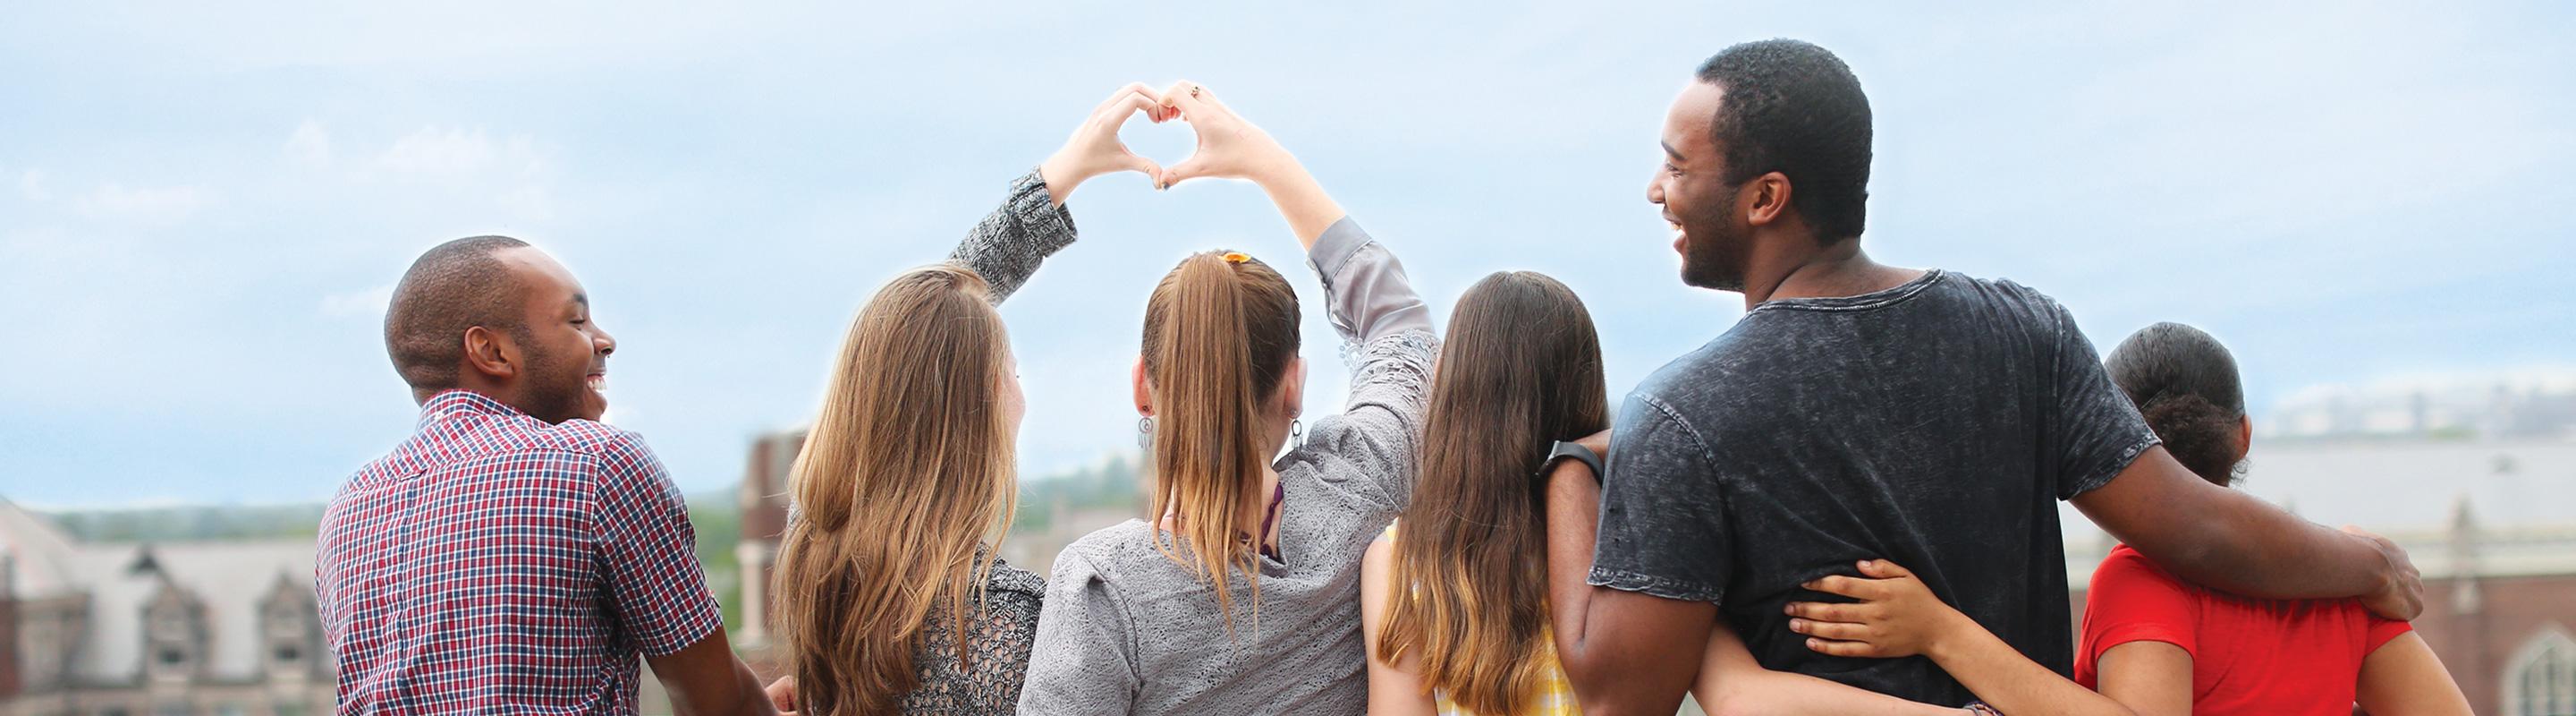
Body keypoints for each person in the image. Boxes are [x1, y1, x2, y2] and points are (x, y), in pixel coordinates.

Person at [1545, 38, 2425, 715]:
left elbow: (1622, 693)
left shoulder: (1682, 413)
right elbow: (2197, 528)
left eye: (1676, 163)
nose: (1656, 189)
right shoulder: (2021, 330)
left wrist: (1570, 473)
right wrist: (2366, 560)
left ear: (1765, 197)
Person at [1763, 322, 2473, 716]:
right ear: (2244, 436)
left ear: (2105, 446)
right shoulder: (2339, 579)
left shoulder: (2142, 582)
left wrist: (1936, 630)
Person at [1013, 80, 1441, 715]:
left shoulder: (1104, 591)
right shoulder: (1364, 489)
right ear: (1292, 385)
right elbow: (1401, 330)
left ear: (1142, 389)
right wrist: (1261, 160)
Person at [1360, 272, 1958, 716]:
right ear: (1583, 383)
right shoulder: (1629, 541)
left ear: (1457, 393)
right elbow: (1742, 695)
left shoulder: (1400, 559)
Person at [764, 82, 1176, 715]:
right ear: (976, 411)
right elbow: (918, 342)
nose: (1022, 393)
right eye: (1010, 369)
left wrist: (1058, 176)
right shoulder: (1005, 624)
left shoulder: (815, 541)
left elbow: (909, 345)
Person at [318, 236, 772, 714]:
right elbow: (720, 704)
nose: (605, 341)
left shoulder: (351, 505)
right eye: (576, 321)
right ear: (490, 351)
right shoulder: (596, 463)